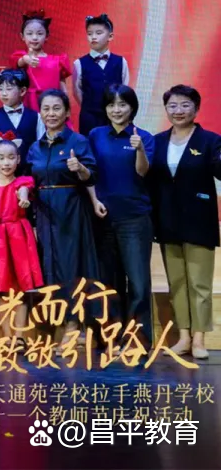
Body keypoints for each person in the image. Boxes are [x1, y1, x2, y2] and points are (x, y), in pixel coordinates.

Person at [148, 84, 221, 360]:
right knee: (176, 282)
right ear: (166, 109)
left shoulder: (210, 141)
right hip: (168, 221)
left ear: (196, 108)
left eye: (185, 105)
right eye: (173, 106)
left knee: (199, 283)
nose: (178, 111)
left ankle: (200, 338)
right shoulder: (157, 141)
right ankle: (184, 336)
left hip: (199, 221)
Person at [25, 88, 99, 348]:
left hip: (70, 209)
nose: (51, 113)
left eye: (57, 108)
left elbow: (92, 175)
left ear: (67, 112)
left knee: (71, 267)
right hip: (45, 213)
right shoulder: (35, 147)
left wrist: (80, 169)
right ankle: (58, 324)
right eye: (46, 109)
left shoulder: (77, 141)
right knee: (50, 267)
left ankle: (74, 324)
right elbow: (29, 178)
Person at [87, 85, 155, 346]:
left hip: (135, 219)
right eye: (111, 105)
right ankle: (111, 337)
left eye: (122, 104)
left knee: (138, 282)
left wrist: (139, 150)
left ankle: (138, 339)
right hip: (103, 218)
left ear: (132, 108)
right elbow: (90, 173)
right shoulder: (95, 135)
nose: (117, 110)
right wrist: (94, 201)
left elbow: (142, 172)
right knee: (108, 282)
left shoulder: (143, 137)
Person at [0, 141, 44, 343]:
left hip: (18, 236)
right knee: (1, 289)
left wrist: (23, 199)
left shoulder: (23, 182)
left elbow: (24, 190)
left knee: (22, 288)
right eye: (1, 158)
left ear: (18, 160)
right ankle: (7, 337)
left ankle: (19, 336)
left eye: (10, 158)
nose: (6, 163)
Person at [74, 14, 130, 135]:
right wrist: (90, 106)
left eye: (98, 33)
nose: (93, 37)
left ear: (110, 36)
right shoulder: (79, 63)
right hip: (90, 118)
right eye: (90, 34)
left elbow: (125, 88)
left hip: (115, 117)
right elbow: (77, 91)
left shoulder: (120, 62)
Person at [0, 69, 42, 176]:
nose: (4, 93)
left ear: (22, 91)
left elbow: (40, 145)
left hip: (29, 172)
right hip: (1, 174)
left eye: (9, 89)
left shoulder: (36, 117)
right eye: (0, 89)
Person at [12, 11, 71, 111]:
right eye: (29, 33)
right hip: (30, 104)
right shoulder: (20, 57)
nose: (34, 37)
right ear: (22, 36)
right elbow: (19, 62)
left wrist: (66, 106)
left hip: (53, 104)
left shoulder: (58, 61)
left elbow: (62, 86)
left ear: (47, 36)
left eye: (39, 33)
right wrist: (26, 59)